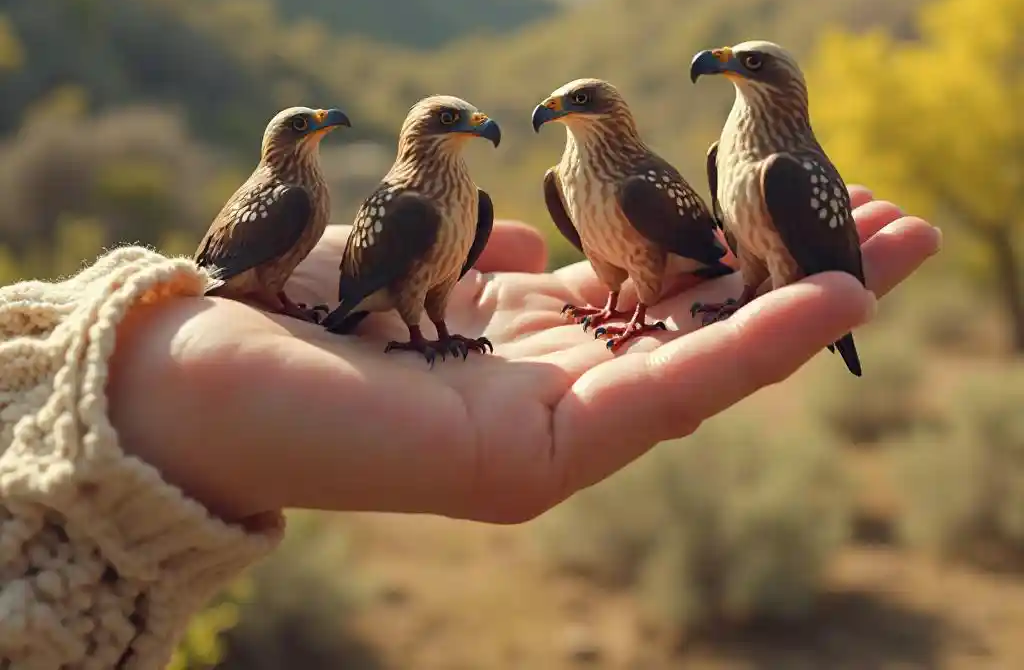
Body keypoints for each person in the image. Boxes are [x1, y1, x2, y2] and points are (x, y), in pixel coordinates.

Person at [0, 185, 940, 670]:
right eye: (453, 127)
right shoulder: (378, 207)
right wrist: (162, 372)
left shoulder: (439, 204)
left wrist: (142, 392)